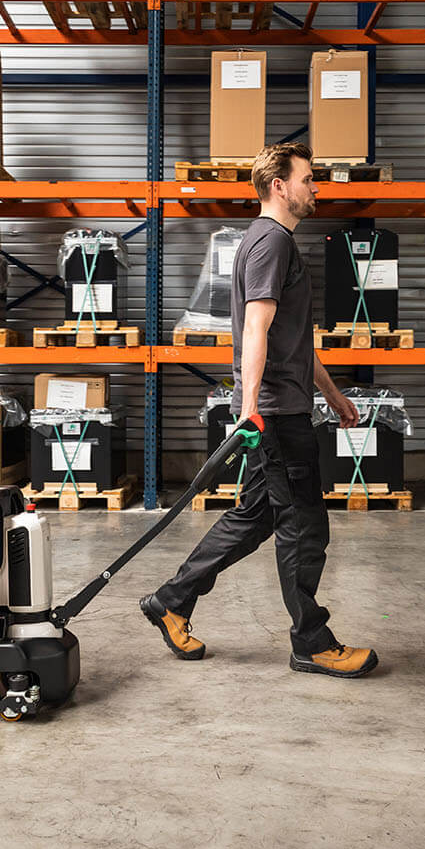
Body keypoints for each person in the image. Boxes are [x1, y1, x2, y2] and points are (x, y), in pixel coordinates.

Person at [140, 142, 379, 678]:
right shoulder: (272, 242)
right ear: (279, 185)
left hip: (279, 406)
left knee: (256, 517)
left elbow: (291, 341)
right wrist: (250, 408)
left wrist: (332, 394)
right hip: (276, 415)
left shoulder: (269, 240)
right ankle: (311, 643)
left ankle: (171, 601)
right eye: (308, 179)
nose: (315, 188)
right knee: (304, 526)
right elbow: (256, 328)